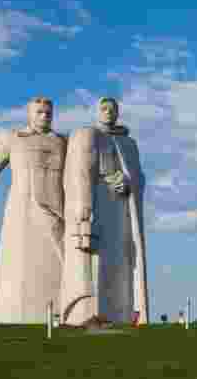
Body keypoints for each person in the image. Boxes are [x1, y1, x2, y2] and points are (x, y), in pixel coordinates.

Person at [0, 97, 66, 323]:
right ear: (29, 114)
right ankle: (16, 317)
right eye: (39, 112)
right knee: (20, 267)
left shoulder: (63, 142)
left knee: (62, 263)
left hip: (58, 211)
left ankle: (64, 314)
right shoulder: (13, 138)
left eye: (48, 112)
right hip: (24, 211)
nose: (44, 116)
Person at [61, 97, 150, 326]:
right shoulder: (88, 135)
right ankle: (90, 313)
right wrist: (84, 204)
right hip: (99, 202)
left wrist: (128, 181)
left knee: (120, 260)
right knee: (96, 260)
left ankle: (121, 313)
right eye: (104, 108)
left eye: (113, 109)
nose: (108, 112)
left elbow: (138, 176)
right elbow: (79, 171)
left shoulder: (128, 143)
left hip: (121, 208)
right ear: (97, 112)